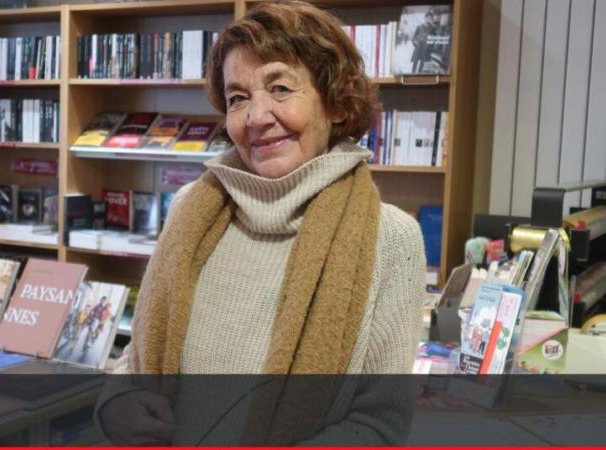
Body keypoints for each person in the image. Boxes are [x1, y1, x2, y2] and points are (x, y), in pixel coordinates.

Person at [98, 1, 426, 445]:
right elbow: (134, 363)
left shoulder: (391, 239)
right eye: (238, 98)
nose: (256, 117)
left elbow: (378, 427)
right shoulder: (189, 209)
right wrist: (114, 404)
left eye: (280, 88)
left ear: (335, 103)